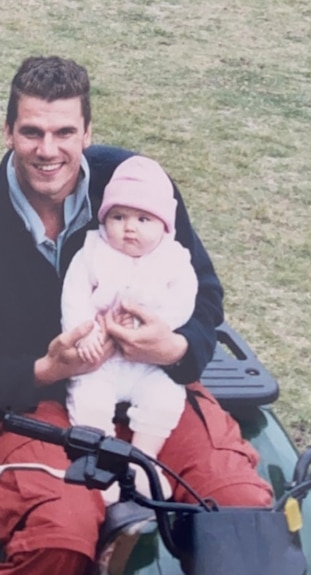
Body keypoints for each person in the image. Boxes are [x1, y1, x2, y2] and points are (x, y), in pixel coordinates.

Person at [0, 55, 273, 575]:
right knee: (58, 541)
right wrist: (45, 370)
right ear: (7, 132)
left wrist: (176, 348)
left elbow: (204, 293)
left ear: (87, 132)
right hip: (41, 405)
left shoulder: (138, 188)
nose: (48, 150)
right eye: (31, 132)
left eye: (64, 132)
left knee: (243, 515)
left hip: (155, 382)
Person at [62, 154, 196, 503]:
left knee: (166, 398)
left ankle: (143, 462)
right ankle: (102, 464)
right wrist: (85, 332)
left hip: (147, 361)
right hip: (102, 357)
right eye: (118, 217)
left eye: (143, 218)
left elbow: (185, 299)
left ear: (165, 225)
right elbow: (74, 294)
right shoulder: (92, 251)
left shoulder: (174, 259)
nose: (129, 227)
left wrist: (161, 329)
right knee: (88, 399)